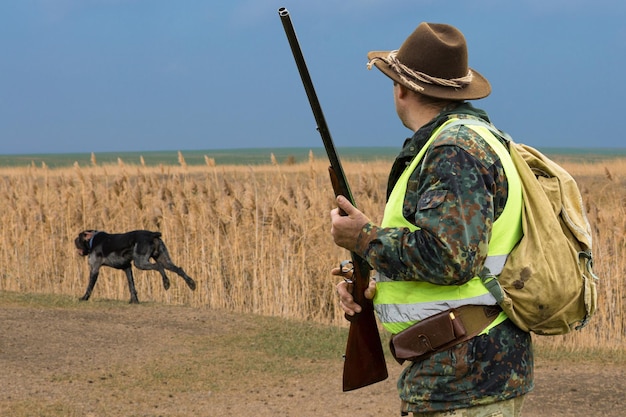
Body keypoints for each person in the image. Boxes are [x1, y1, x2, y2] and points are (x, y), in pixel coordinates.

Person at [330, 22, 534, 417]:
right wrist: (370, 273)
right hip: (462, 371)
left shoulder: (453, 150)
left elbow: (452, 257)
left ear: (403, 88)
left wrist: (364, 239)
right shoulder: (478, 139)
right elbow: (466, 249)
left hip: (464, 377)